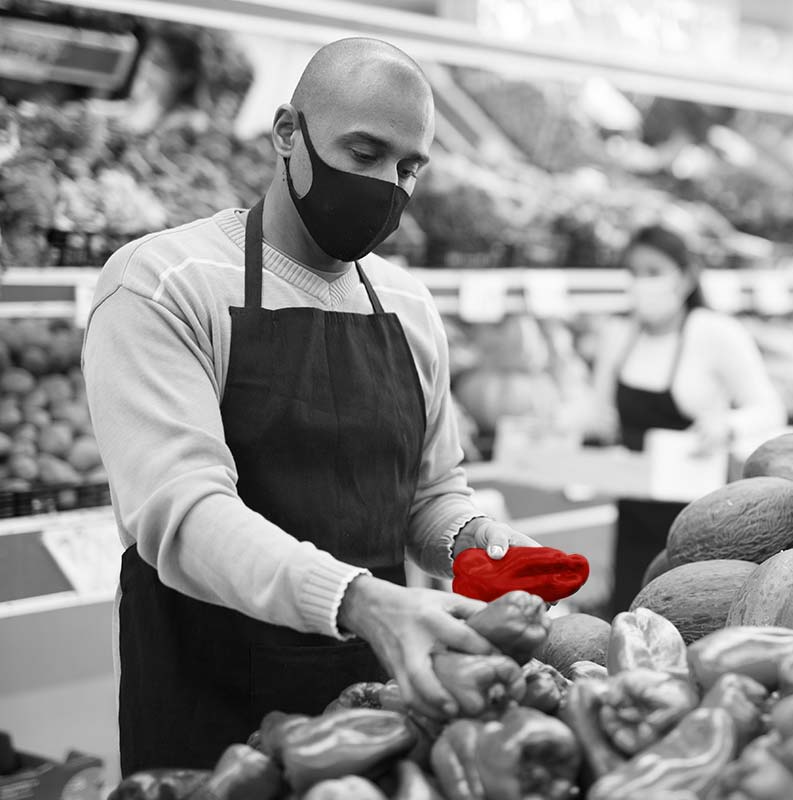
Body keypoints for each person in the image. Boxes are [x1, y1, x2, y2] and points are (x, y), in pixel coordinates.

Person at [82, 37, 540, 774]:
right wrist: (359, 600)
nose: (388, 185)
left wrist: (475, 542)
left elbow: (427, 494)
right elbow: (180, 512)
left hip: (379, 708)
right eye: (364, 152)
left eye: (409, 167)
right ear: (287, 133)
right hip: (212, 709)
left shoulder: (408, 306)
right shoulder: (164, 282)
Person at [589, 224, 785, 615]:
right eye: (634, 272)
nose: (642, 283)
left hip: (703, 515)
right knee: (630, 607)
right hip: (632, 508)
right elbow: (599, 411)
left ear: (686, 276)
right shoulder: (618, 333)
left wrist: (725, 426)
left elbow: (769, 408)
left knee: (692, 611)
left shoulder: (715, 333)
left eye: (654, 271)